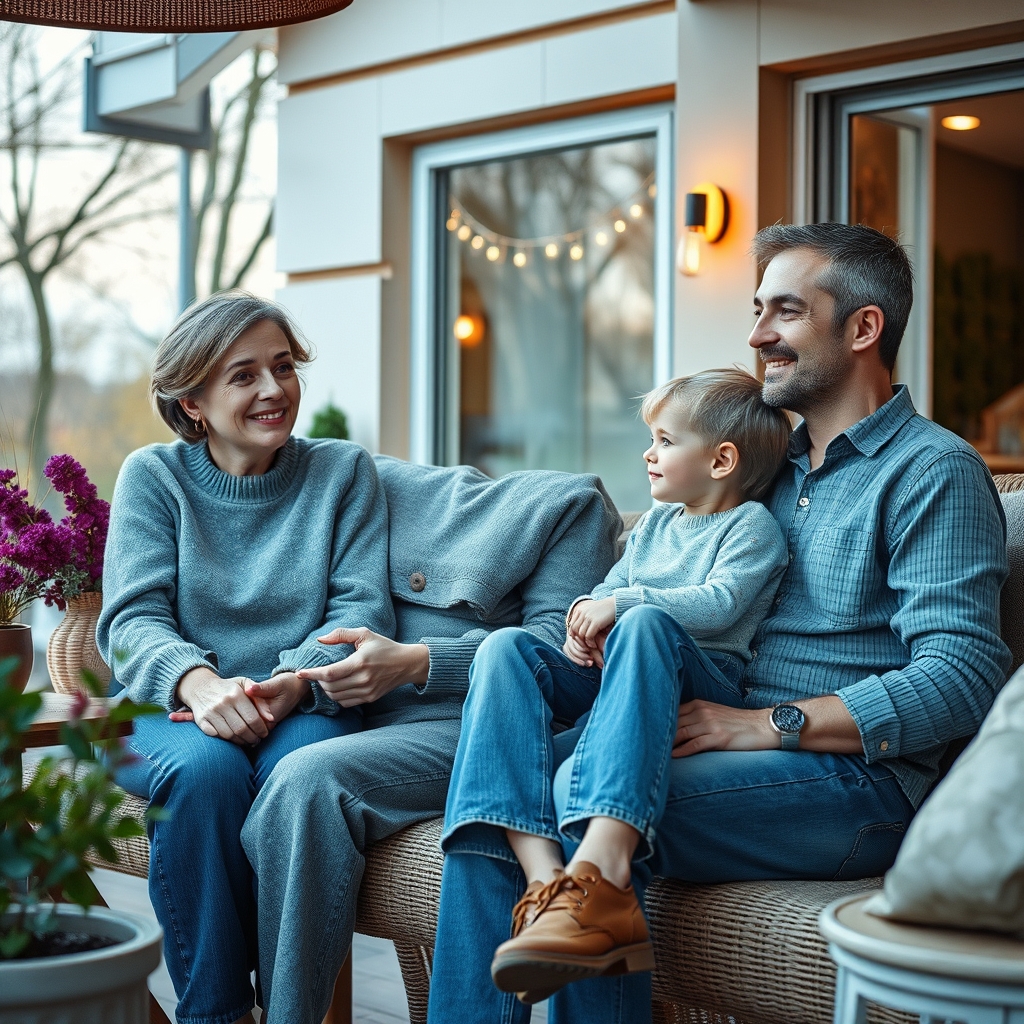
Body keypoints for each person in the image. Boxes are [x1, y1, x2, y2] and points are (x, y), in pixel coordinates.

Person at [426, 222, 1012, 1024]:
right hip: (703, 733)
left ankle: (591, 894)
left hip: (862, 786)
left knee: (576, 791)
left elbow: (964, 679)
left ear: (864, 328)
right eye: (757, 310)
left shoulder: (931, 471)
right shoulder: (759, 470)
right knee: (506, 784)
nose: (757, 334)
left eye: (786, 312)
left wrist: (765, 725)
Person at [437, 368, 791, 1001]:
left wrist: (625, 606)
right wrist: (582, 623)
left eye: (663, 440)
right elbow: (606, 590)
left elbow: (720, 603)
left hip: (698, 681)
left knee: (646, 624)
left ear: (722, 459)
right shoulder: (657, 524)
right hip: (613, 675)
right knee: (507, 648)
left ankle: (592, 881)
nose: (648, 454)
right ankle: (550, 885)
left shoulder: (751, 527)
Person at [97, 292, 395, 1024]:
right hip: (169, 706)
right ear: (192, 400)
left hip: (303, 697)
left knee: (298, 776)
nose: (274, 390)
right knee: (207, 773)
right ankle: (218, 1013)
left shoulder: (342, 472)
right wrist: (200, 685)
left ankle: (288, 1006)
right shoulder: (153, 477)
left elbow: (360, 610)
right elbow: (132, 619)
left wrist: (290, 683)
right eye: (243, 375)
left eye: (284, 367)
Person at [240, 457, 623, 1023]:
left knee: (305, 785)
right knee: (227, 778)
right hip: (354, 719)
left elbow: (558, 662)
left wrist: (418, 664)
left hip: (481, 728)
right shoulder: (348, 478)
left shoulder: (574, 511)